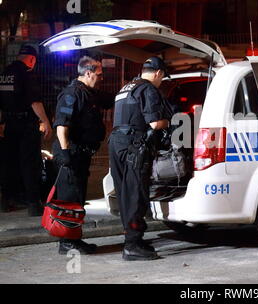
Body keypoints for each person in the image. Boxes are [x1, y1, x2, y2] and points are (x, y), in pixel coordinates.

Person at [109, 57, 170, 261]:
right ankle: (132, 246)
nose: (161, 81)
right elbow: (154, 123)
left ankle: (132, 238)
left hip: (117, 143)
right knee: (136, 193)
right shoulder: (148, 89)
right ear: (158, 73)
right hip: (134, 146)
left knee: (125, 193)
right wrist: (168, 120)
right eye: (163, 77)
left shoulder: (125, 88)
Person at [52, 55, 106, 255]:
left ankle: (74, 239)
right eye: (98, 74)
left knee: (77, 200)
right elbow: (62, 126)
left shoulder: (88, 93)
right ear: (88, 73)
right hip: (70, 154)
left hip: (80, 154)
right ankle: (66, 242)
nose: (101, 78)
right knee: (69, 200)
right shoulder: (72, 94)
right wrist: (65, 153)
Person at [0, 44, 52, 216]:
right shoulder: (26, 74)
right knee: (30, 163)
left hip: (8, 124)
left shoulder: (6, 73)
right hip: (25, 125)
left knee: (9, 163)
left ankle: (6, 200)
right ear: (32, 59)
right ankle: (33, 204)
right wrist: (45, 121)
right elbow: (35, 102)